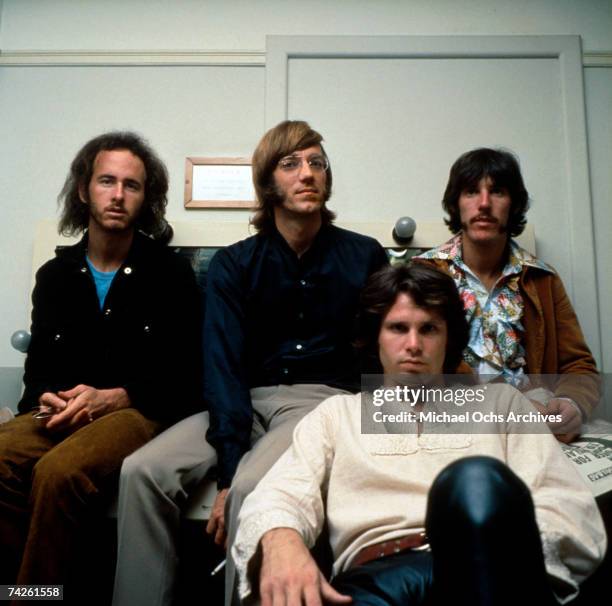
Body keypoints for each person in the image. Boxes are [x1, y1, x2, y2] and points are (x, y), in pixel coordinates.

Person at [112, 120, 388, 606]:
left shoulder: (364, 256)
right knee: (141, 472)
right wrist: (228, 459)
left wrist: (232, 480)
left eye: (317, 163)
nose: (308, 173)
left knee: (253, 487)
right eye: (291, 164)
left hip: (320, 403)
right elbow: (221, 367)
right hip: (242, 398)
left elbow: (384, 352)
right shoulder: (235, 265)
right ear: (266, 182)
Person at [233, 263, 606, 606]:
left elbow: (566, 505)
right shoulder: (337, 414)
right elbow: (279, 493)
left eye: (428, 328)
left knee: (474, 478)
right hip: (373, 580)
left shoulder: (500, 403)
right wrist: (280, 538)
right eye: (398, 328)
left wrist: (507, 561)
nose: (413, 344)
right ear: (375, 338)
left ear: (448, 339)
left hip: (486, 568)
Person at [0, 132, 202, 597]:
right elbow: (39, 373)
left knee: (58, 472)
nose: (117, 195)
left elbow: (188, 377)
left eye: (131, 185)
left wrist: (117, 395)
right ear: (82, 190)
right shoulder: (54, 276)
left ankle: (36, 596)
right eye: (106, 181)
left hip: (136, 411)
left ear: (145, 198)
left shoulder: (169, 274)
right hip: (63, 408)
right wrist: (46, 397)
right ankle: (17, 586)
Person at [416, 148, 598, 442]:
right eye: (472, 191)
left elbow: (579, 366)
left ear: (513, 204)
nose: (484, 204)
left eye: (497, 191)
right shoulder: (423, 275)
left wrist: (572, 403)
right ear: (456, 204)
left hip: (534, 428)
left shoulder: (542, 279)